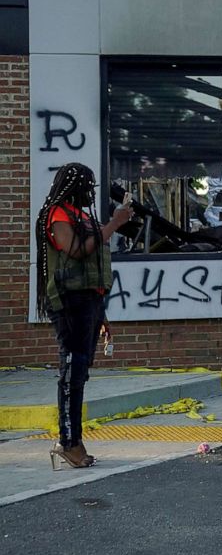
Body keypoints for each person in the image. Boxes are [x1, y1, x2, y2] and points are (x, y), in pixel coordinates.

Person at [34, 162, 133, 469]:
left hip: (88, 301)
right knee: (71, 372)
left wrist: (101, 312)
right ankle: (68, 441)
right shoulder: (58, 214)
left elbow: (93, 268)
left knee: (80, 373)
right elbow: (76, 250)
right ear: (73, 188)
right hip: (68, 302)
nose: (91, 193)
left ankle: (73, 439)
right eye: (87, 187)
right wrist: (115, 223)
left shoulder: (83, 216)